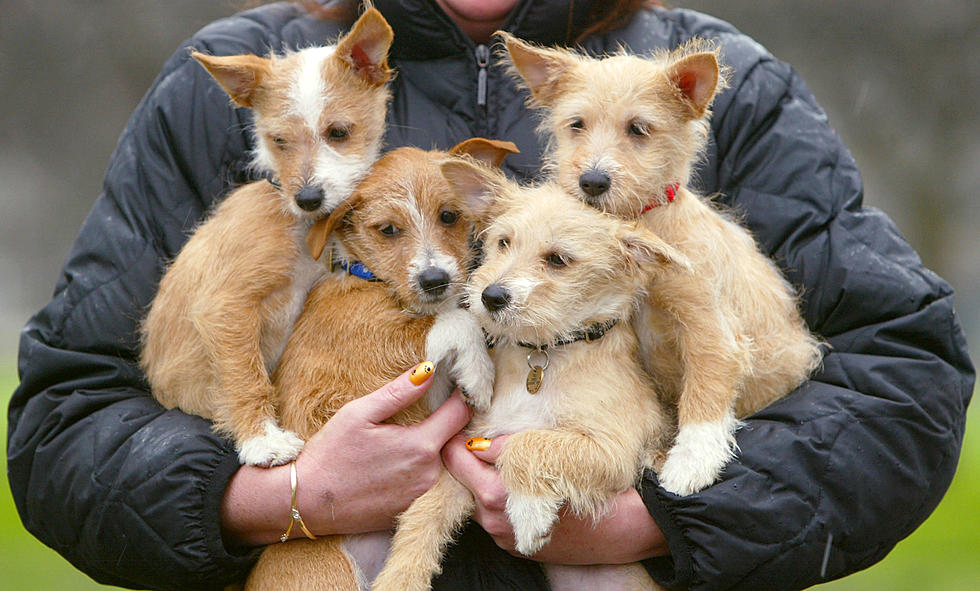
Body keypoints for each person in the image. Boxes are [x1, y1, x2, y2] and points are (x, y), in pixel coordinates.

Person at [6, 0, 973, 589]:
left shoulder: (723, 86)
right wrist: (266, 497)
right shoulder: (243, 81)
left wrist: (667, 517)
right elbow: (62, 418)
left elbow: (908, 379)